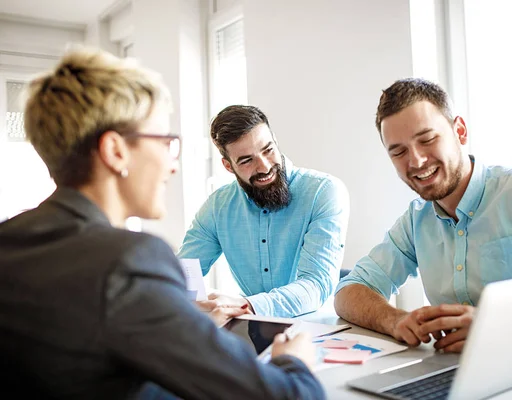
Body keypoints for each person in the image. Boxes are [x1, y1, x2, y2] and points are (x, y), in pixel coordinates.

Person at [0, 47, 324, 399]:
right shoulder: (129, 261)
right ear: (116, 151)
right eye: (165, 141)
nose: (173, 165)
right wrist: (295, 363)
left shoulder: (9, 242)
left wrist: (182, 321)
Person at [334, 78, 512, 367]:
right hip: (462, 378)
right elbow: (350, 291)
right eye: (399, 152)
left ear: (459, 131)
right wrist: (395, 320)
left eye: (427, 139)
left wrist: (500, 329)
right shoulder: (416, 220)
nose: (417, 161)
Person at [178, 105, 349, 318]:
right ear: (228, 166)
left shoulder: (323, 192)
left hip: (318, 328)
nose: (264, 166)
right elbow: (184, 271)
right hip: (252, 328)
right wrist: (194, 301)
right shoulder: (217, 207)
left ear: (275, 141)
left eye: (268, 150)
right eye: (247, 160)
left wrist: (245, 305)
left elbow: (316, 285)